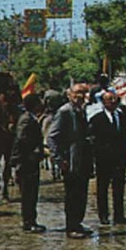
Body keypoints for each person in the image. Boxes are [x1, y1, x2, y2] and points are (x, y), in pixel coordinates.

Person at [46, 84, 93, 239]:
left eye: (83, 93)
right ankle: (71, 226)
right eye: (77, 93)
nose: (80, 96)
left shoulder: (82, 110)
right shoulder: (65, 111)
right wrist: (59, 159)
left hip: (83, 159)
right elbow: (51, 137)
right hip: (70, 160)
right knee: (72, 195)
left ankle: (78, 222)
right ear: (69, 94)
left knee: (82, 193)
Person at [88, 90, 126, 225]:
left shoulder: (122, 117)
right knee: (103, 188)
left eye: (115, 100)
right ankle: (103, 215)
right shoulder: (97, 118)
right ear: (103, 102)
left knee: (119, 187)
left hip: (119, 157)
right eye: (109, 100)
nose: (112, 102)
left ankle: (119, 215)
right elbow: (92, 138)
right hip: (103, 158)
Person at [12, 93, 46, 233]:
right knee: (28, 193)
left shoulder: (31, 118)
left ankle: (32, 220)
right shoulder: (26, 119)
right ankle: (28, 222)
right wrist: (35, 150)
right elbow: (22, 138)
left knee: (32, 193)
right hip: (26, 162)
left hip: (31, 161)